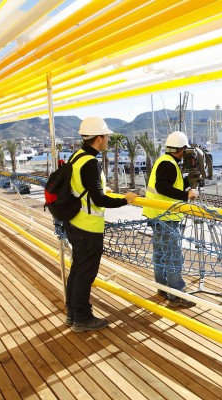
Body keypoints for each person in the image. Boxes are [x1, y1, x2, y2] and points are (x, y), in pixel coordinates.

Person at [64, 117, 138, 332]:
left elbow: (85, 190)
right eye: (106, 136)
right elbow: (99, 200)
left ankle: (73, 314)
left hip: (75, 222)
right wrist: (126, 199)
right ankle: (83, 319)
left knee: (77, 271)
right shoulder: (90, 163)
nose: (107, 140)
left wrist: (101, 191)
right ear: (98, 138)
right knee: (85, 274)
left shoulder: (76, 157)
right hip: (88, 228)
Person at [143, 131, 199, 308]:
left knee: (160, 254)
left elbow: (169, 184)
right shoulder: (168, 164)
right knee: (173, 256)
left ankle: (162, 287)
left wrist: (188, 183)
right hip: (165, 217)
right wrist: (185, 195)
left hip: (157, 215)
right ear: (181, 149)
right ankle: (176, 294)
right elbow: (162, 187)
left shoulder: (166, 161)